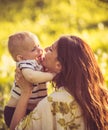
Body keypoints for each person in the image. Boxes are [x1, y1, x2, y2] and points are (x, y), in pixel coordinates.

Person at [10, 35, 108, 130]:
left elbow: (15, 128)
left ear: (58, 66)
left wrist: (26, 92)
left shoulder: (54, 103)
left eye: (51, 49)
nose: (45, 49)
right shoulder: (98, 95)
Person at [4, 31, 55, 127]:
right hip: (14, 110)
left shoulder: (36, 63)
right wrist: (52, 75)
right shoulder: (25, 64)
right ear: (21, 57)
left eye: (39, 45)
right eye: (33, 49)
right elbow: (31, 77)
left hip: (32, 108)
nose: (40, 50)